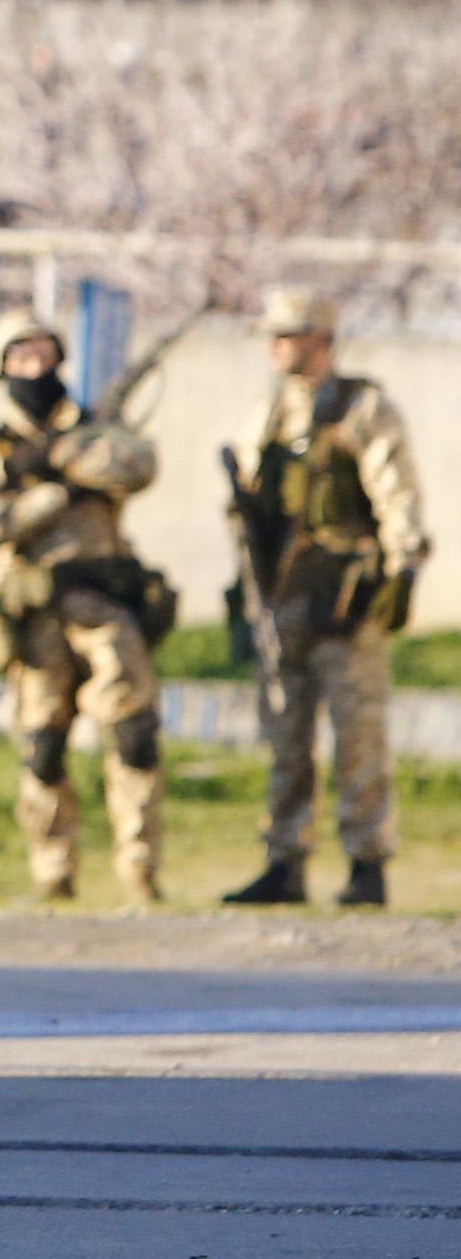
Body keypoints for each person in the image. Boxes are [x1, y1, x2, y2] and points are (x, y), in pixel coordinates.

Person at [0, 311, 165, 902]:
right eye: (22, 357)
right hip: (35, 614)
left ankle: (141, 867)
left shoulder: (92, 429)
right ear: (3, 368)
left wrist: (62, 457)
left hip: (104, 606)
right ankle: (53, 870)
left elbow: (137, 463)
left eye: (45, 354)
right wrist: (49, 497)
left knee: (132, 734)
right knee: (42, 745)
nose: (36, 368)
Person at [224, 288, 427, 908]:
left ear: (322, 339)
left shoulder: (361, 409)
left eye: (291, 335)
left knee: (357, 733)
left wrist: (399, 571)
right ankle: (284, 859)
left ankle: (367, 864)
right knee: (285, 733)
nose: (278, 347)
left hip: (346, 595)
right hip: (285, 596)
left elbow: (397, 497)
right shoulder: (267, 415)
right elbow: (253, 514)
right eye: (274, 336)